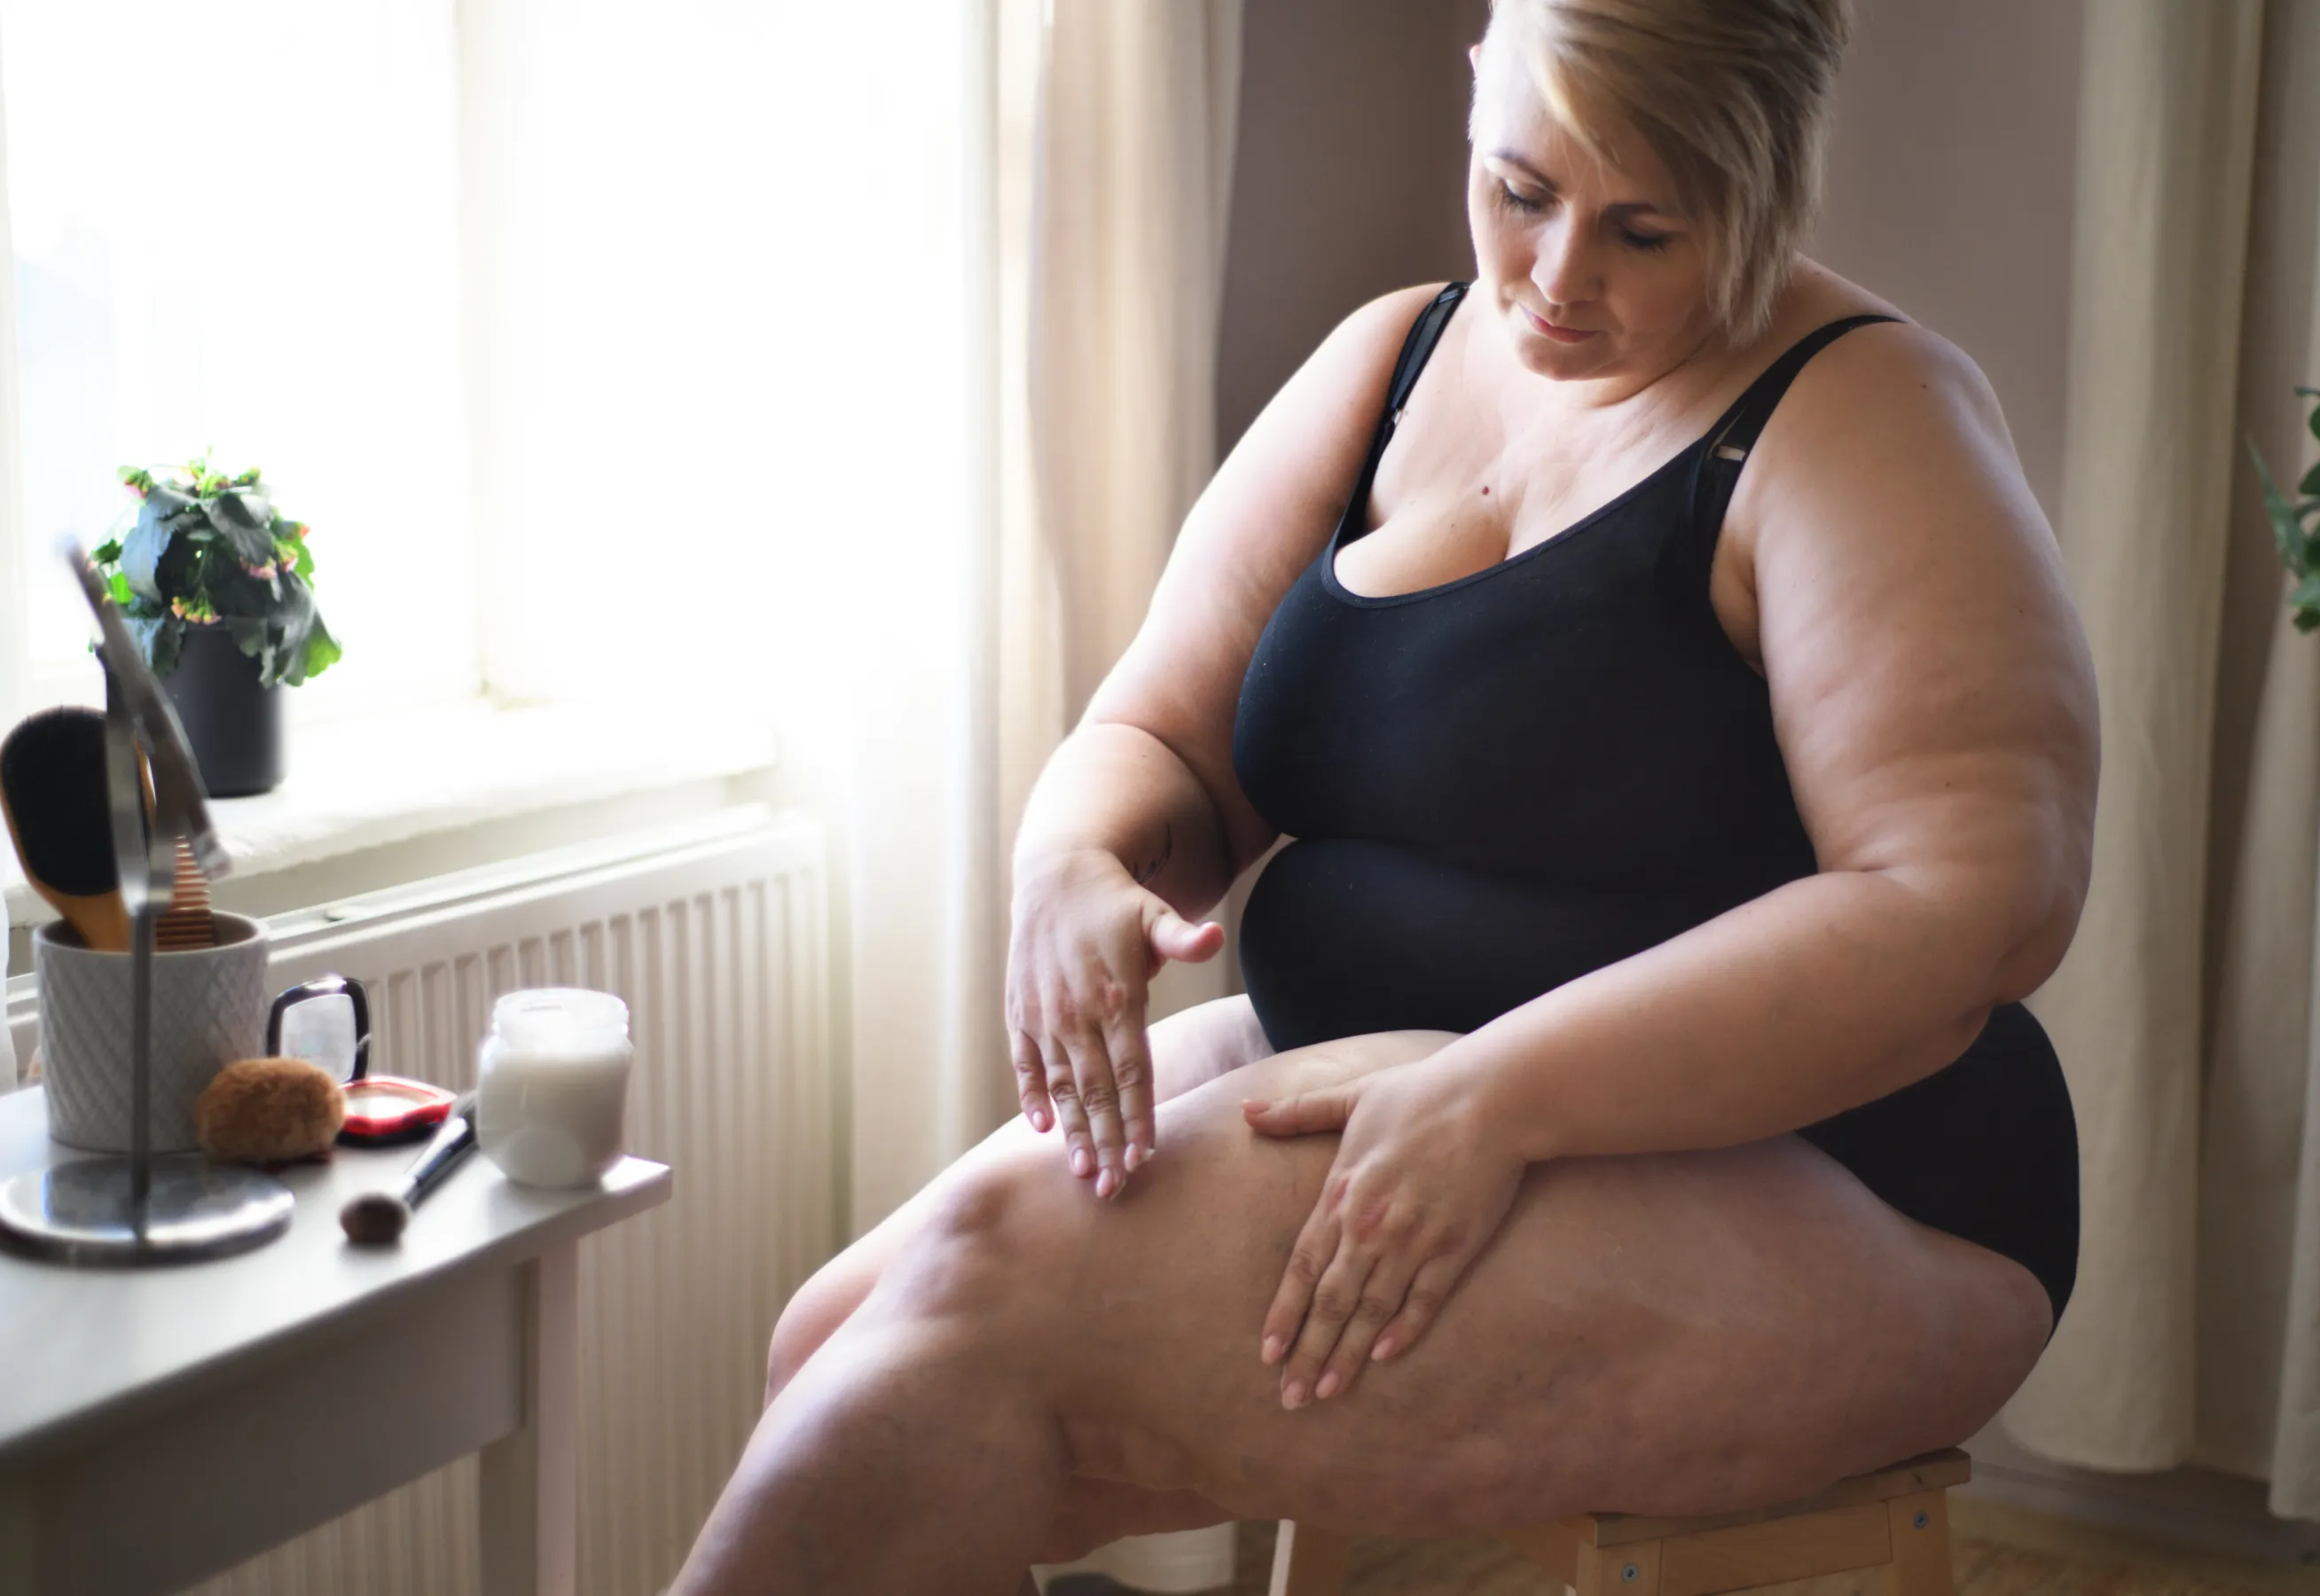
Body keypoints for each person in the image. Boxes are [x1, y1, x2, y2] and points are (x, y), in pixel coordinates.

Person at [676, 0, 2097, 1589]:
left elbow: (1965, 916)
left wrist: (1501, 1094)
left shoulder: (1863, 415)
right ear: (1479, 81)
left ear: (1773, 189)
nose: (1558, 279)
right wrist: (1069, 857)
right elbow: (1160, 732)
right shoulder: (1397, 356)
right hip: (1385, 1058)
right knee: (834, 1344)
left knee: (981, 1318)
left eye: (1646, 227)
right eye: (1522, 191)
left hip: (1847, 1179)